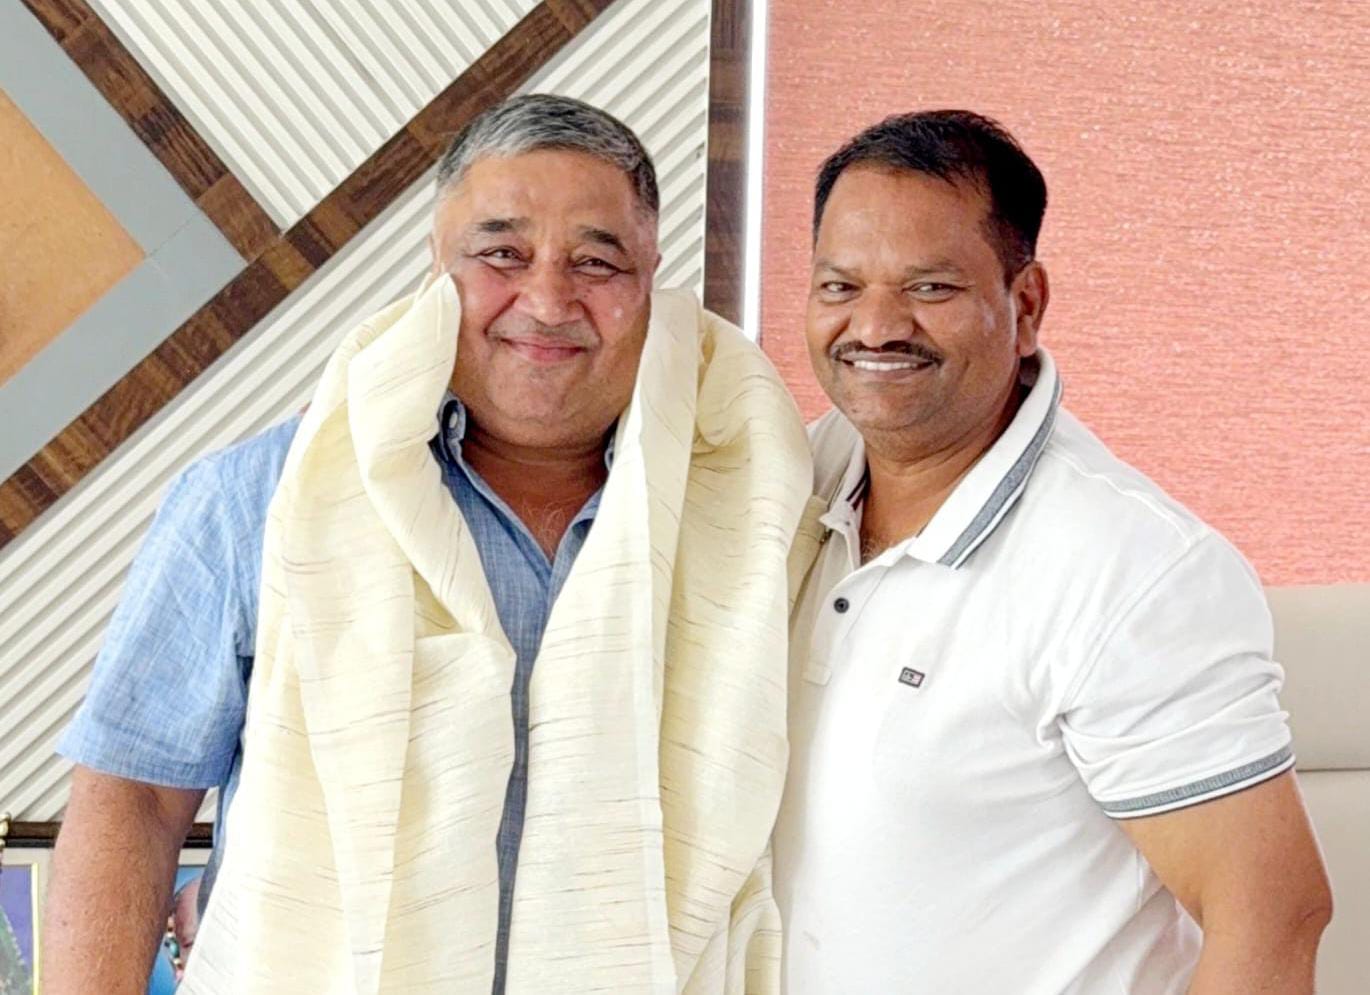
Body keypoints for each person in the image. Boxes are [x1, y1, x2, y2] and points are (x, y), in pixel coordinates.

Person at [45, 94, 811, 994]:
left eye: (596, 261)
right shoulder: (265, 498)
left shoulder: (755, 508)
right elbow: (134, 799)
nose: (547, 300)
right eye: (502, 254)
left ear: (652, 278)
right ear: (435, 263)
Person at [774, 110, 1332, 994]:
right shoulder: (782, 485)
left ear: (1025, 304)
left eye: (929, 287)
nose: (874, 326)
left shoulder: (1133, 567)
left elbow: (1271, 918)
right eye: (839, 286)